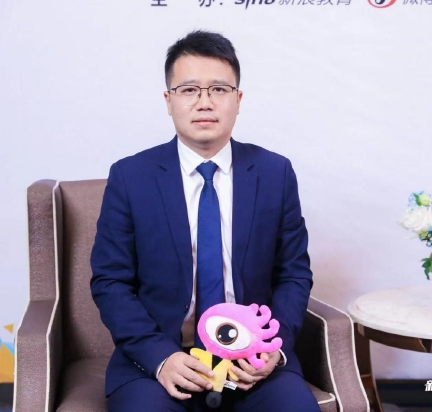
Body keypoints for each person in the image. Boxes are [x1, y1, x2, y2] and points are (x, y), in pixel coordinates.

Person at [90, 30, 320, 411]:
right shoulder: (131, 178)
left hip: (251, 360)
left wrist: (271, 349)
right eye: (189, 90)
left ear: (238, 100)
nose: (204, 102)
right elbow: (110, 282)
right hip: (161, 360)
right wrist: (160, 357)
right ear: (168, 101)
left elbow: (293, 274)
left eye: (218, 89)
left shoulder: (275, 174)